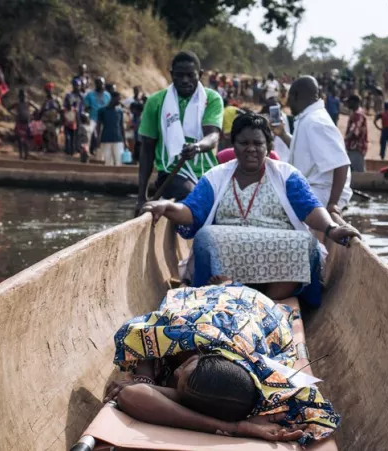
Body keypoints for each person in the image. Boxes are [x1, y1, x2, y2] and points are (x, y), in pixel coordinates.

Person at [141, 113, 360, 305]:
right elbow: (191, 211)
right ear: (233, 145)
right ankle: (229, 293)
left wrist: (331, 229)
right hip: (229, 251)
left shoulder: (287, 175)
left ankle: (263, 301)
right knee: (206, 237)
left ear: (268, 147)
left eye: (258, 143)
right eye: (243, 143)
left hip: (278, 254)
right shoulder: (216, 176)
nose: (251, 149)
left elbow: (310, 209)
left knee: (308, 245)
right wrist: (167, 206)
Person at [107, 282, 340, 445]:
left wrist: (232, 427)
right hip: (233, 305)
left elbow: (132, 396)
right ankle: (227, 283)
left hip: (254, 317)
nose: (176, 370)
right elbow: (135, 331)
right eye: (185, 368)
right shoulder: (191, 336)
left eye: (178, 382)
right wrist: (144, 376)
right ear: (202, 356)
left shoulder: (270, 400)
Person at [136, 51, 223, 211]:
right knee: (191, 195)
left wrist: (197, 147)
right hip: (170, 174)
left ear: (200, 75)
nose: (185, 81)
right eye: (179, 75)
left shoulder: (211, 99)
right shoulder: (155, 102)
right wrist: (142, 197)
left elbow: (213, 135)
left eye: (190, 75)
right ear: (171, 75)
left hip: (206, 172)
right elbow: (147, 148)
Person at [273, 76, 353, 220]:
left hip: (320, 194)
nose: (288, 103)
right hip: (311, 191)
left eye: (289, 98)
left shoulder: (316, 121)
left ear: (295, 96)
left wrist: (333, 204)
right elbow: (304, 152)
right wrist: (283, 134)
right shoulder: (307, 118)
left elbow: (341, 163)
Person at [96, 91, 127, 166]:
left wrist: (125, 140)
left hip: (118, 140)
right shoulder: (102, 110)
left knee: (118, 162)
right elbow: (98, 126)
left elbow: (121, 126)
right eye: (118, 99)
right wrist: (98, 138)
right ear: (112, 98)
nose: (119, 101)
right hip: (106, 139)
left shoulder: (120, 111)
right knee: (107, 162)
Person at [84, 77, 111, 153]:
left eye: (102, 83)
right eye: (99, 83)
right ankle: (87, 151)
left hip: (104, 119)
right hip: (93, 118)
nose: (101, 85)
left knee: (102, 136)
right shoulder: (90, 94)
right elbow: (86, 107)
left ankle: (100, 152)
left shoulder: (107, 95)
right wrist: (87, 117)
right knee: (90, 134)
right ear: (96, 84)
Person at [8, 89, 37, 160]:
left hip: (26, 123)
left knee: (26, 140)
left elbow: (37, 108)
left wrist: (32, 115)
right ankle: (21, 154)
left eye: (24, 96)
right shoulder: (17, 103)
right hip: (19, 123)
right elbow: (9, 108)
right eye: (22, 96)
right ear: (19, 96)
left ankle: (26, 155)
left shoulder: (28, 103)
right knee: (19, 140)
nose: (23, 97)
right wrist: (15, 114)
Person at [344, 95, 368, 172]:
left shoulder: (357, 115)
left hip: (355, 147)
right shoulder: (359, 112)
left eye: (349, 102)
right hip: (355, 147)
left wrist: (343, 139)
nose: (347, 104)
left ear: (355, 103)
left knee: (358, 173)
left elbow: (354, 131)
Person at [63, 78, 84, 156]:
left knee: (77, 133)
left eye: (78, 86)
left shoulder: (81, 96)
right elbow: (65, 106)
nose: (77, 87)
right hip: (70, 116)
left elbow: (83, 107)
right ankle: (68, 149)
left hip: (78, 117)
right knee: (68, 134)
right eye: (75, 85)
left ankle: (76, 149)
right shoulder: (69, 95)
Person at [40, 82, 63, 153]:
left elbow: (61, 110)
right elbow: (42, 111)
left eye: (50, 90)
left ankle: (55, 149)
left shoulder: (57, 100)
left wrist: (61, 120)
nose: (49, 91)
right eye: (47, 90)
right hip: (46, 121)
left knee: (54, 135)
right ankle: (46, 148)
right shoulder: (45, 101)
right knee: (45, 135)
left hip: (55, 121)